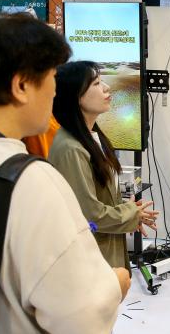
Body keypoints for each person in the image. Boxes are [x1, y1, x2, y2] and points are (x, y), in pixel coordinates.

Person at [0, 13, 130, 334]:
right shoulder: (29, 183)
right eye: (52, 76)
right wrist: (117, 282)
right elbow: (82, 316)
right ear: (21, 86)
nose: (56, 89)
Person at [49, 61, 158, 270]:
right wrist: (130, 214)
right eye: (97, 83)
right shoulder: (71, 148)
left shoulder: (92, 137)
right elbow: (90, 214)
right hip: (90, 259)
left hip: (104, 252)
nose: (107, 88)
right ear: (76, 96)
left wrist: (131, 214)